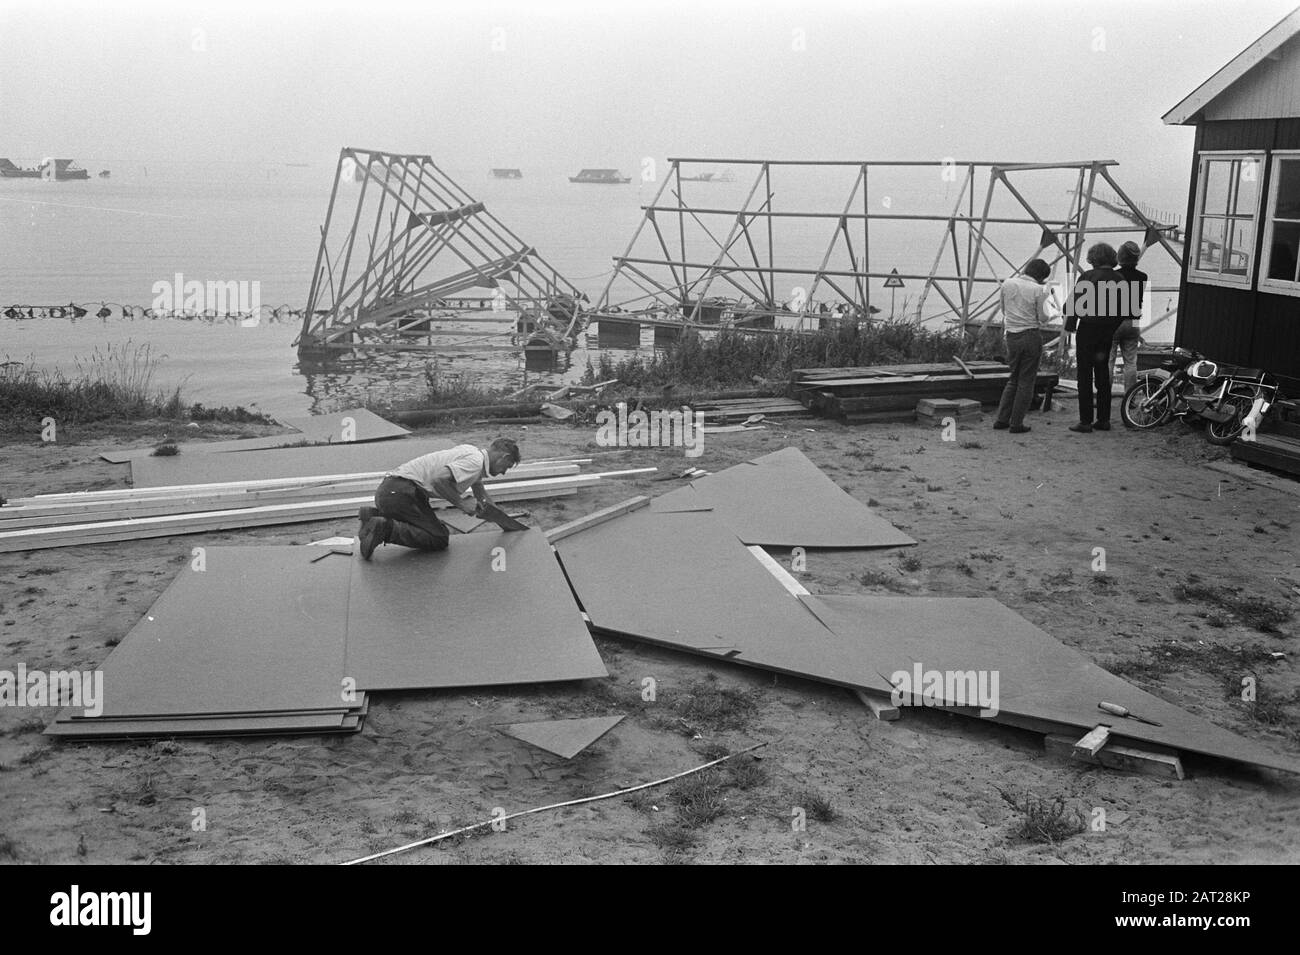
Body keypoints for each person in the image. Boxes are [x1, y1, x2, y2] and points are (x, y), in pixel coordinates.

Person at [357, 437, 523, 560]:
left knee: (433, 528)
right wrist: (462, 504)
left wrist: (503, 519)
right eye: (506, 467)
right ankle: (385, 527)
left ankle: (372, 516)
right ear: (504, 457)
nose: (503, 472)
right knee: (439, 538)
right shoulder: (474, 463)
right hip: (402, 494)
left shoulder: (471, 452)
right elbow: (438, 480)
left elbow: (481, 494)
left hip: (391, 491)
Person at [1065, 242, 1125, 433]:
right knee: (1102, 373)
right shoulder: (1120, 279)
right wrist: (1112, 326)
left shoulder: (1088, 277)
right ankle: (1104, 419)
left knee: (1084, 374)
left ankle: (1085, 421)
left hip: (1088, 329)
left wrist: (1070, 326)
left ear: (1093, 259)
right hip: (1107, 331)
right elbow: (1126, 310)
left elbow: (1072, 305)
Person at [993, 258, 1055, 434]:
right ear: (1042, 276)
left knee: (1013, 379)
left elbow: (1003, 310)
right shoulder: (1039, 290)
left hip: (1011, 335)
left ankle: (1001, 419)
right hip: (1030, 335)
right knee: (1026, 381)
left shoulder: (1008, 283)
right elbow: (1043, 318)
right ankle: (1017, 423)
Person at [1110, 241, 1147, 394]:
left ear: (1120, 256)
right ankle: (1130, 396)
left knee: (1109, 359)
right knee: (1131, 362)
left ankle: (1104, 393)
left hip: (1113, 322)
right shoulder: (1142, 277)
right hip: (1132, 321)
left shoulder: (1113, 276)